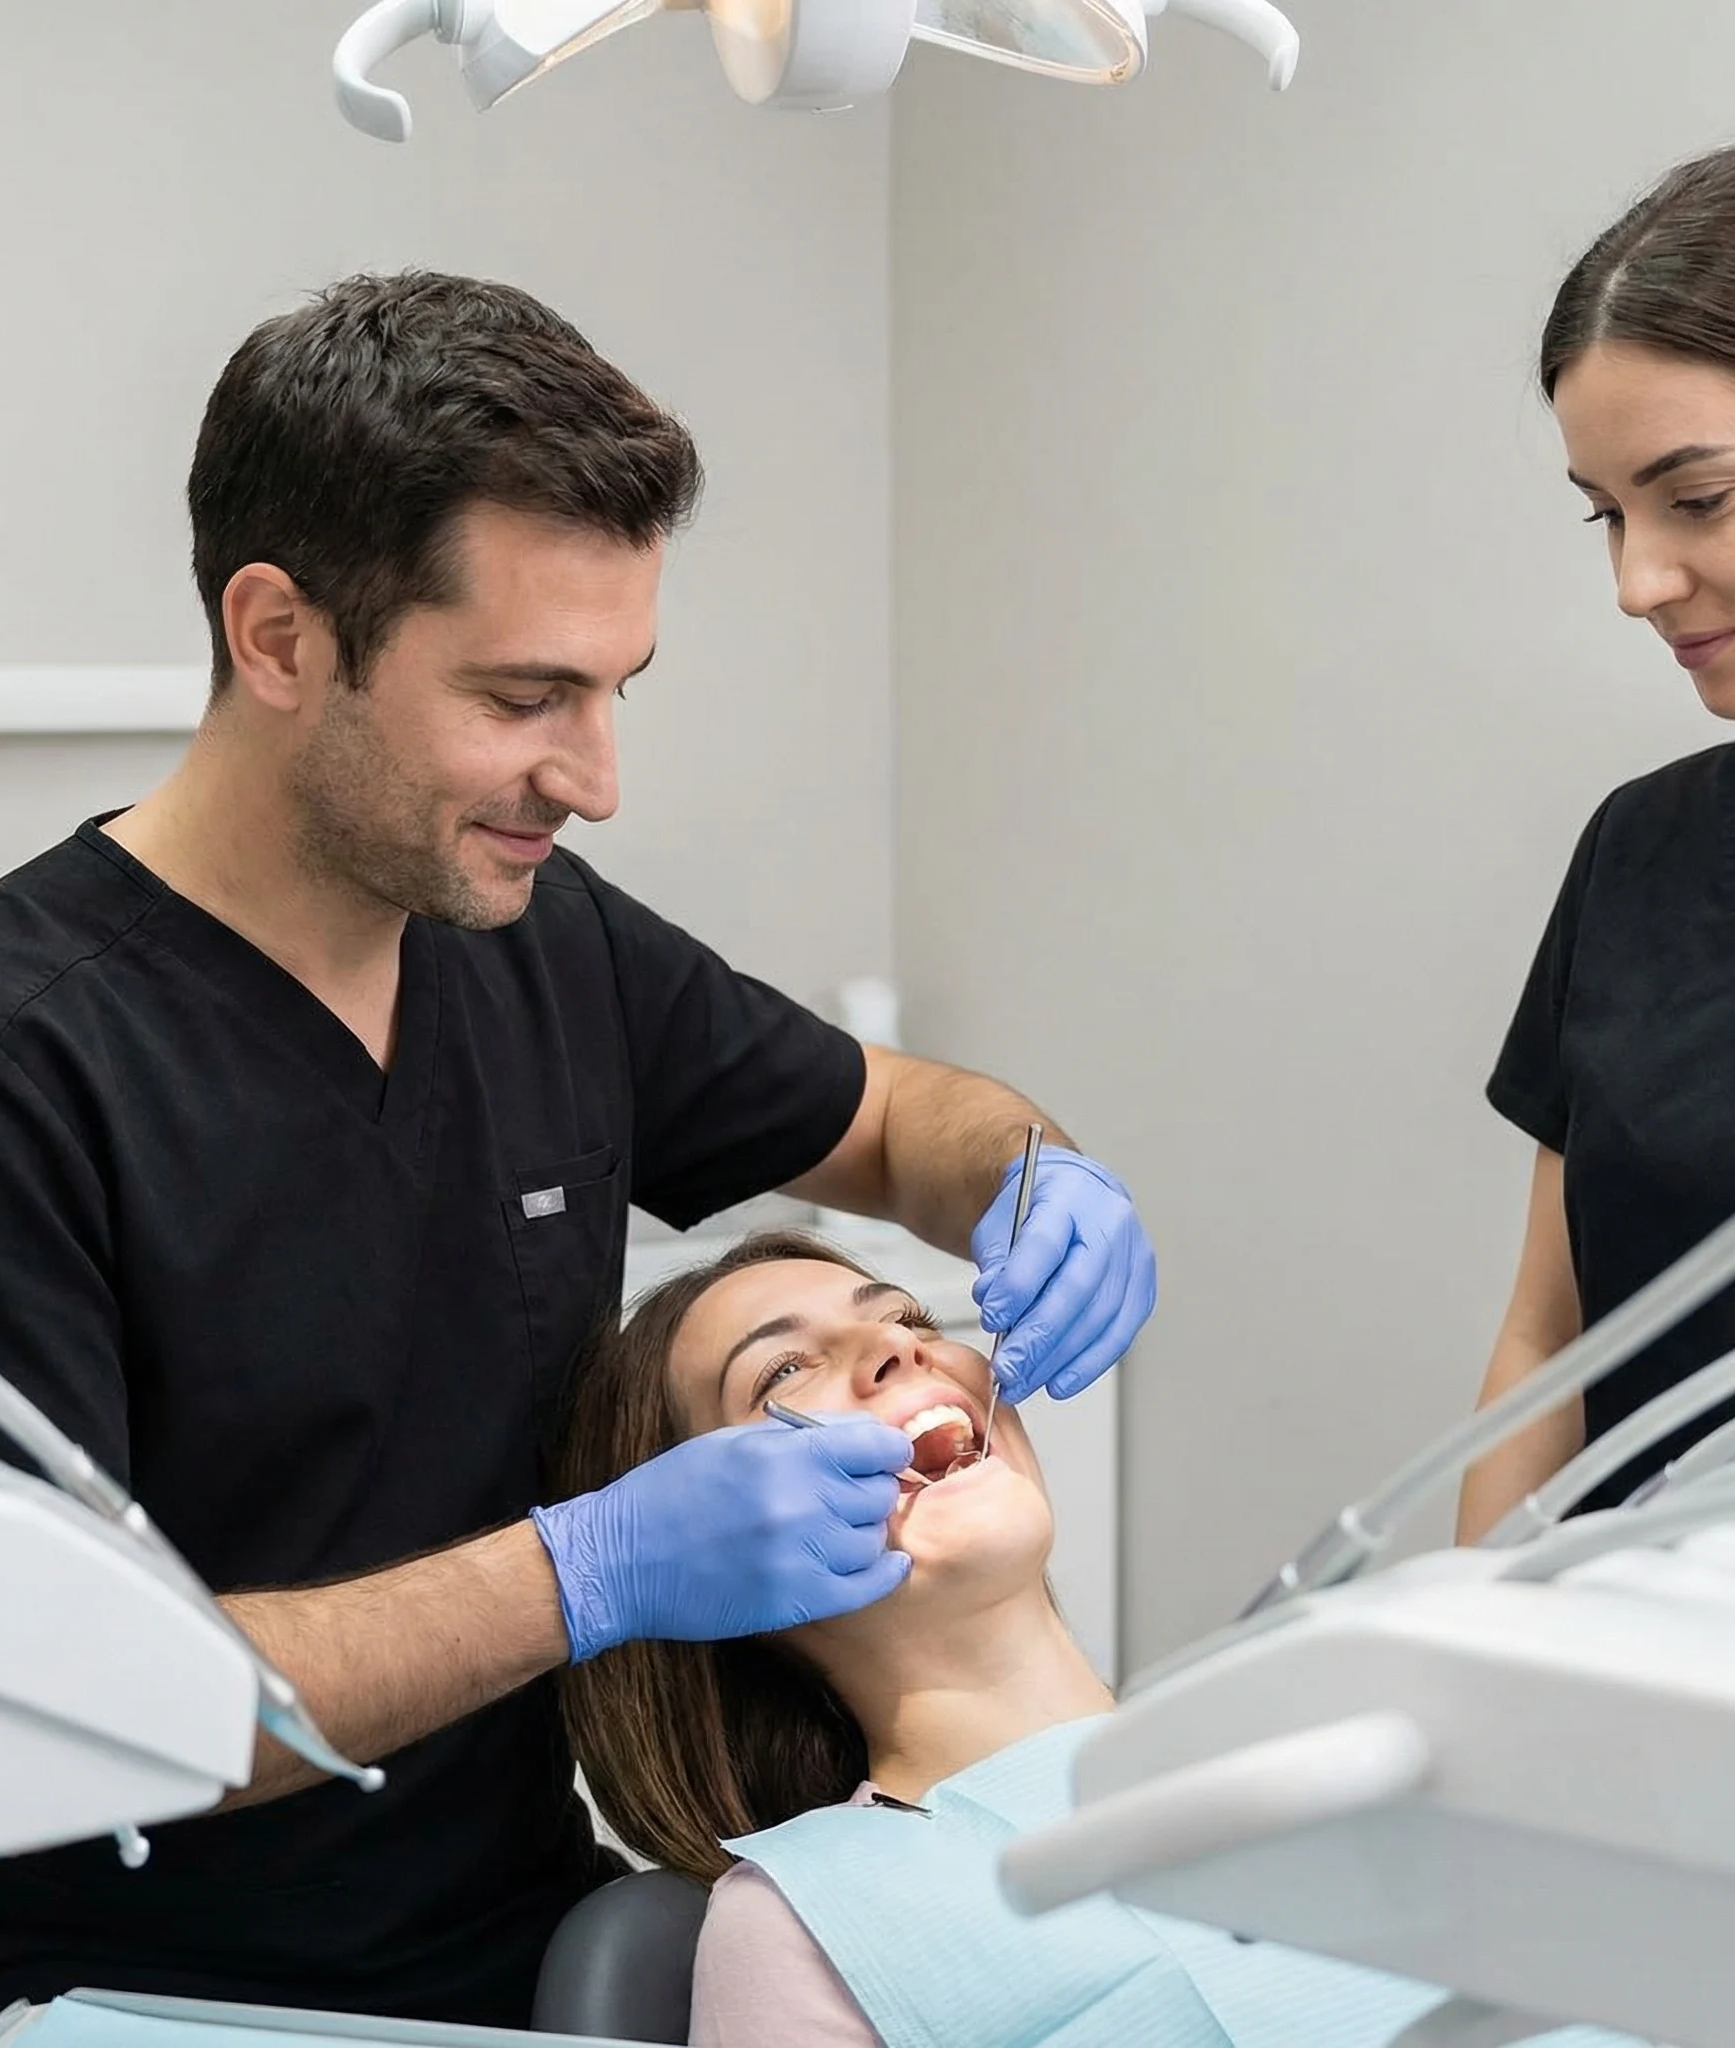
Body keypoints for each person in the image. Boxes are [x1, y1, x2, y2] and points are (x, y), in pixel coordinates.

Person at [0, 271, 1158, 2046]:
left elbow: (896, 1120)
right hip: (110, 1995)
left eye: (612, 688)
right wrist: (585, 1568)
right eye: (525, 695)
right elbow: (41, 1716)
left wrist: (1031, 1174)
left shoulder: (531, 940)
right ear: (279, 637)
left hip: (513, 1945)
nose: (590, 775)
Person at [559, 1232, 1645, 2048]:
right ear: (707, 1555)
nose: (895, 1346)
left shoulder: (1317, 1739)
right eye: (779, 1374)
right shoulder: (804, 1918)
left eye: (900, 1312)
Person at [1459, 146, 1735, 1541]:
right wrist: (1457, 1695)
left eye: (1698, 499)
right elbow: (1545, 1346)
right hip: (1640, 1693)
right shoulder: (1642, 852)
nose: (1638, 584)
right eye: (1606, 514)